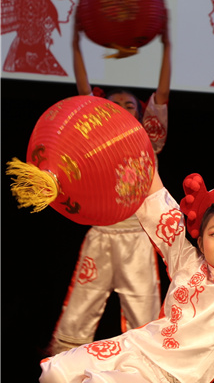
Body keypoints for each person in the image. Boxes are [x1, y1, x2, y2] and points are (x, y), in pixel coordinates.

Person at [39, 169, 214, 383]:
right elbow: (160, 206)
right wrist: (138, 151)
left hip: (173, 376)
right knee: (56, 373)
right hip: (138, 346)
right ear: (201, 240)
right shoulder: (188, 262)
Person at [46, 18, 171, 355]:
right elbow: (84, 94)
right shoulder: (92, 145)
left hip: (137, 239)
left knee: (143, 316)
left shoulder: (149, 139)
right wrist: (74, 47)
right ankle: (64, 373)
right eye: (114, 104)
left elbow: (162, 94)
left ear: (141, 112)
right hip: (101, 235)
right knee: (79, 310)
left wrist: (167, 47)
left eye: (129, 105)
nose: (122, 108)